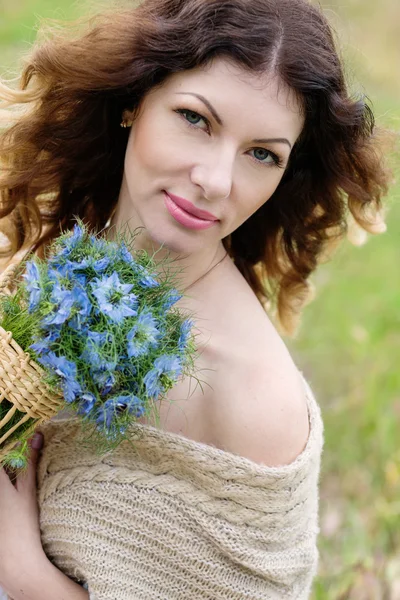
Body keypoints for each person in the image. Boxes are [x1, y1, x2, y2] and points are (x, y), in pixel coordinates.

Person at [0, 0, 391, 598]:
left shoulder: (250, 398)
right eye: (195, 119)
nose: (216, 180)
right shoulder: (33, 250)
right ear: (135, 100)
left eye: (262, 154)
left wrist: (26, 578)